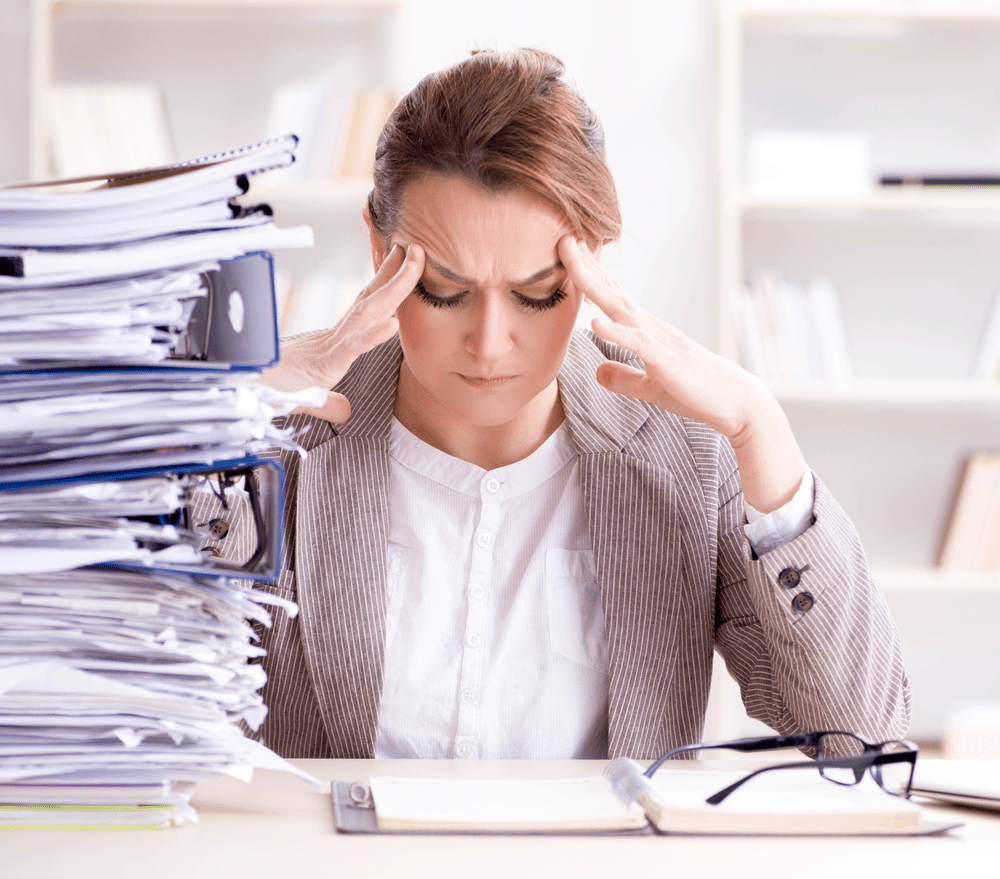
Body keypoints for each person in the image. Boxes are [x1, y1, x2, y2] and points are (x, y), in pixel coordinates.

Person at [205, 47, 910, 760]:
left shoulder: (690, 452)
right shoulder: (278, 428)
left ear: (592, 261)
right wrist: (211, 420)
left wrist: (763, 430)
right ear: (378, 246)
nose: (488, 343)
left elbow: (864, 736)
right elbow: (125, 671)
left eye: (536, 292)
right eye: (442, 290)